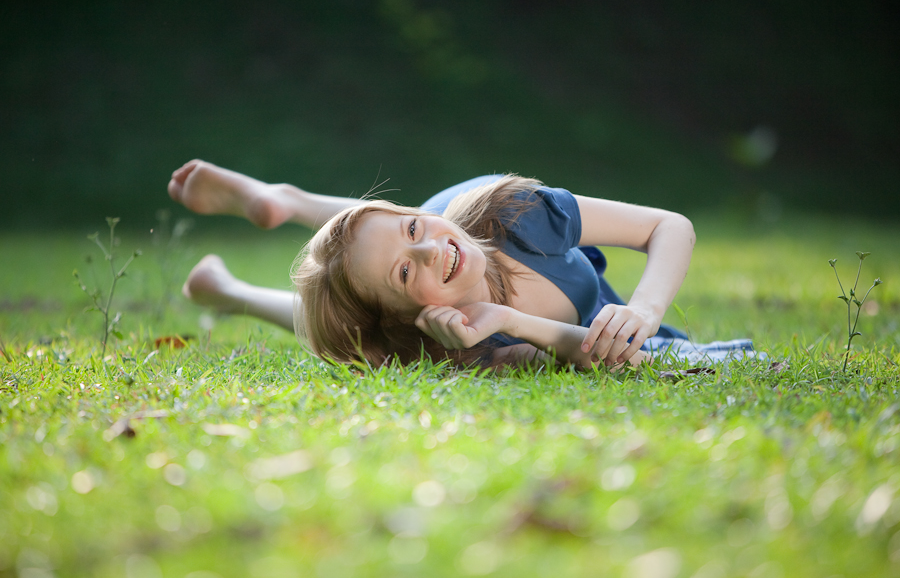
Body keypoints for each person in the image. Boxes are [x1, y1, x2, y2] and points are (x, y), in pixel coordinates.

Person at [169, 160, 755, 369]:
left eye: (415, 235)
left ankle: (293, 201)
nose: (428, 252)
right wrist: (515, 322)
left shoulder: (517, 214)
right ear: (416, 321)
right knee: (351, 320)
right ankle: (231, 291)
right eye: (407, 277)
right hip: (436, 280)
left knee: (406, 232)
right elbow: (591, 358)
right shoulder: (461, 341)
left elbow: (668, 225)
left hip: (466, 212)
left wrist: (646, 309)